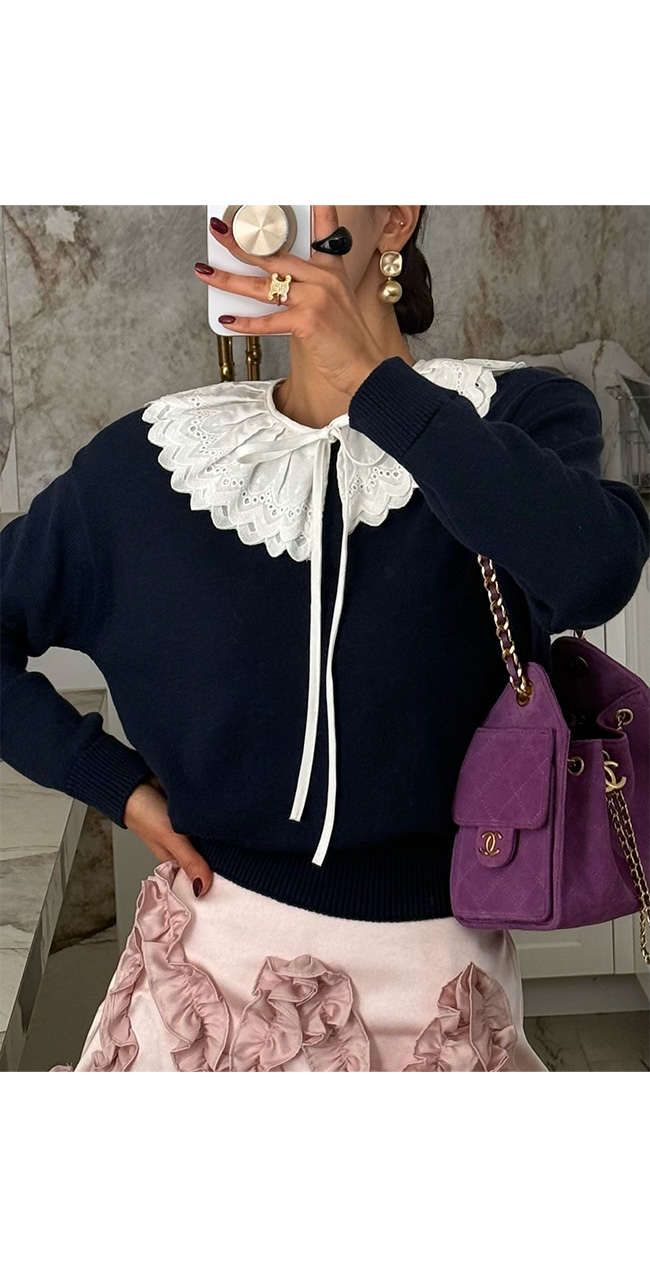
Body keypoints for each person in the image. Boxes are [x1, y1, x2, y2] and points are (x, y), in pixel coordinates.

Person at [2, 206, 648, 1072]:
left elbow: (594, 573)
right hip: (195, 991)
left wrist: (382, 388)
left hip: (436, 989)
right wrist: (114, 786)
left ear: (394, 217)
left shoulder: (516, 415)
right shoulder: (155, 461)